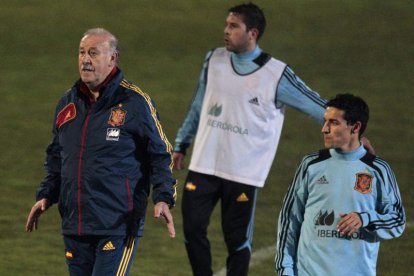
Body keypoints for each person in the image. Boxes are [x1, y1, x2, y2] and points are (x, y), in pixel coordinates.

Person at [172, 3, 376, 276]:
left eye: (234, 26)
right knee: (192, 229)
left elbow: (316, 105)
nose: (226, 31)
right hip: (204, 164)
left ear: (252, 33)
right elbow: (199, 104)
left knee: (237, 241)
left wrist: (352, 133)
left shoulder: (276, 74)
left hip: (243, 173)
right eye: (226, 25)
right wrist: (181, 143)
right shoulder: (214, 59)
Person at [25, 28, 177, 276]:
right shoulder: (68, 104)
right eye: (82, 52)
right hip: (75, 224)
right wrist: (46, 195)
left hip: (117, 224)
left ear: (113, 58)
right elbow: (56, 157)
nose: (85, 59)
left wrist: (163, 197)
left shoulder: (134, 103)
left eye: (93, 53)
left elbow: (160, 154)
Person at [276, 94, 405, 276]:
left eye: (333, 123)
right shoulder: (311, 165)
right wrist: (285, 270)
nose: (324, 129)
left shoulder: (378, 170)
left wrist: (365, 219)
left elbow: (397, 220)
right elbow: (289, 221)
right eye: (325, 121)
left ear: (355, 127)